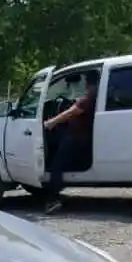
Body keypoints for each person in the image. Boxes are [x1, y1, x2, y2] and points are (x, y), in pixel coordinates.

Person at [40, 76, 98, 214]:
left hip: (77, 138)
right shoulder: (92, 96)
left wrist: (51, 122)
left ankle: (53, 199)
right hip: (78, 135)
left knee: (57, 164)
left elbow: (71, 112)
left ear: (88, 83)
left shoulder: (89, 97)